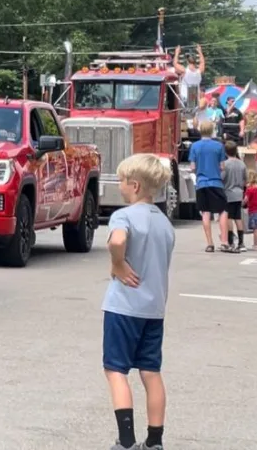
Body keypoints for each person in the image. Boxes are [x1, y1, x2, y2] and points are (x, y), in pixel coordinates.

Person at [102, 153, 175, 450]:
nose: (119, 186)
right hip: (154, 309)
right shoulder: (164, 224)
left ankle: (127, 440)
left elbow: (118, 241)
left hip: (124, 306)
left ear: (134, 185)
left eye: (121, 181)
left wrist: (118, 263)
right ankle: (155, 440)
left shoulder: (124, 216)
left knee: (116, 369)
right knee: (151, 371)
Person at [187, 119, 228, 253]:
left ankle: (210, 243)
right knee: (222, 210)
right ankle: (224, 241)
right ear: (212, 130)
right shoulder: (218, 146)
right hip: (216, 182)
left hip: (201, 183)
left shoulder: (195, 146)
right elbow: (222, 166)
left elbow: (192, 167)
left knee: (205, 212)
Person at [221, 139, 247, 253]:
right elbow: (245, 180)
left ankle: (231, 241)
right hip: (239, 193)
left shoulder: (225, 164)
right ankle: (241, 242)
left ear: (225, 152)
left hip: (228, 193)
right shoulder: (242, 163)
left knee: (229, 218)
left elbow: (222, 178)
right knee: (238, 217)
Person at [245, 169, 257, 251]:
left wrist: (242, 203)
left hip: (254, 210)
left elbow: (246, 199)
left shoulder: (249, 189)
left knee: (256, 228)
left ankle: (255, 244)